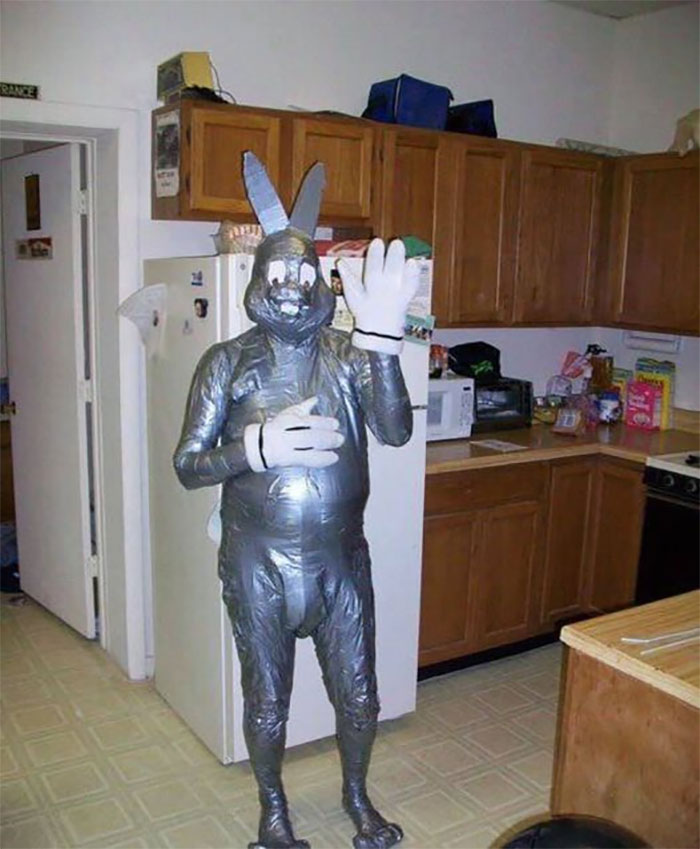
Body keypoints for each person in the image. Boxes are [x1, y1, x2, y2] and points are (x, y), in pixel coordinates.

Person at [173, 153, 417, 849]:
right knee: (267, 701)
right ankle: (273, 811)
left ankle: (357, 798)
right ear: (258, 279)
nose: (291, 288)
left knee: (361, 696)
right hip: (258, 562)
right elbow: (188, 466)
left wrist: (382, 341)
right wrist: (255, 447)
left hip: (342, 560)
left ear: (321, 284)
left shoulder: (347, 352)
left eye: (305, 275)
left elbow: (396, 430)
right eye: (278, 274)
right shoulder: (225, 361)